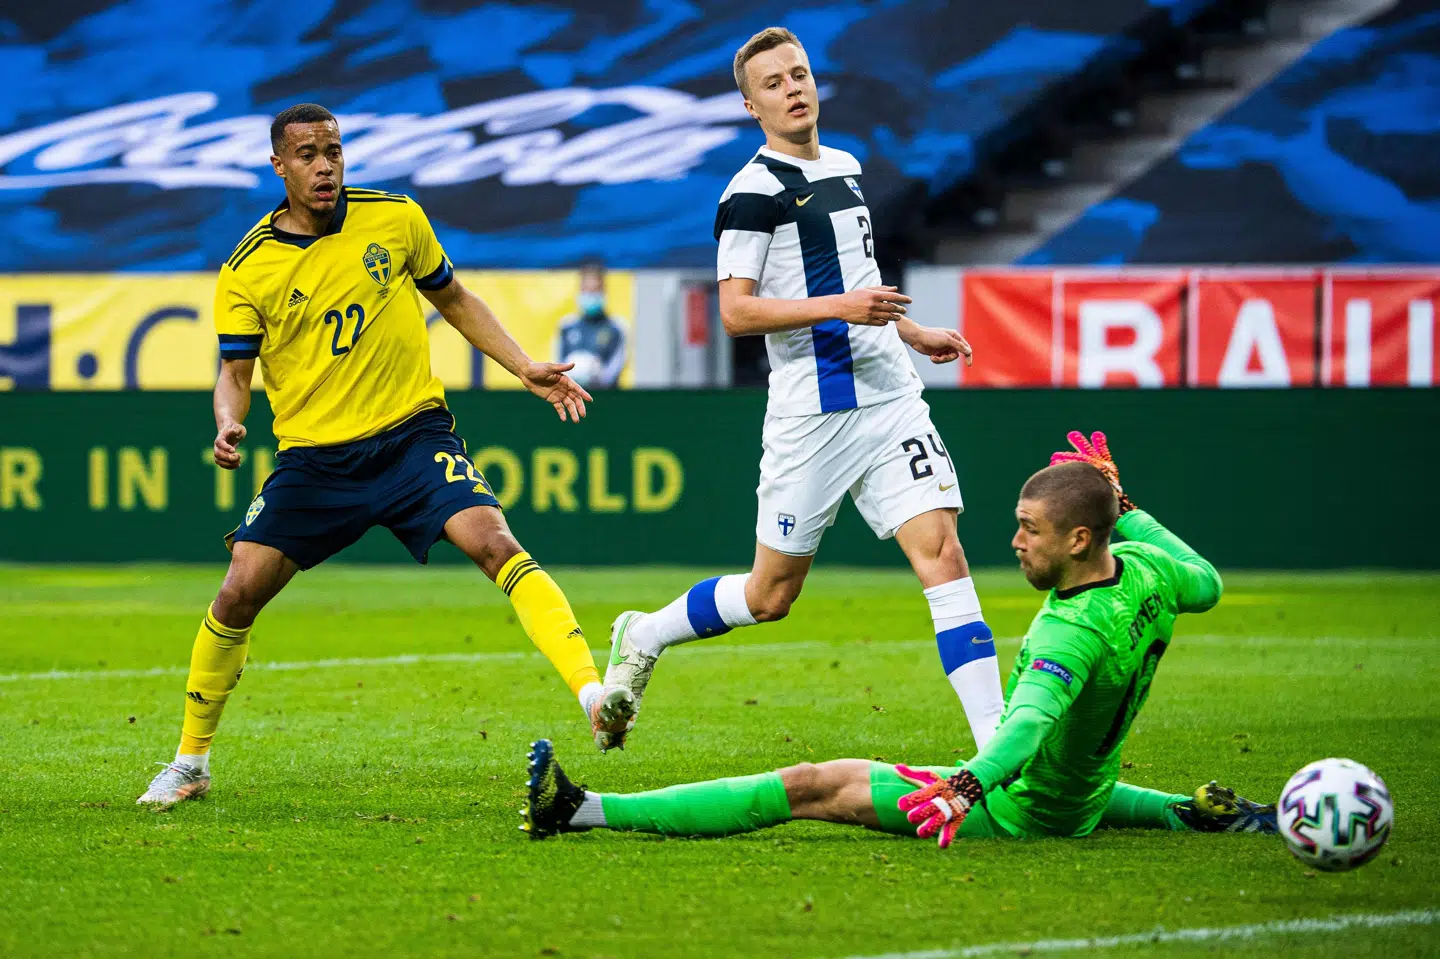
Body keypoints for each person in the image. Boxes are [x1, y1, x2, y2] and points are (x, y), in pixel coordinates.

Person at [137, 103, 635, 806]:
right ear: (278, 167)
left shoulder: (396, 216)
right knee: (237, 589)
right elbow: (236, 371)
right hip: (314, 460)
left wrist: (523, 365)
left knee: (495, 541)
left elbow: (454, 298)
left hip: (411, 436)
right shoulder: (247, 268)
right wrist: (227, 421)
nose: (325, 166)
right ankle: (190, 761)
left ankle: (593, 692)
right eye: (307, 154)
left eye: (334, 151)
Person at [524, 433, 1279, 844]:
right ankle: (1186, 808)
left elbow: (1022, 731)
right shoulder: (1149, 570)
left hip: (1020, 807)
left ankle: (585, 809)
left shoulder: (1071, 627)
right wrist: (1130, 508)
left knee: (808, 786)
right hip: (1076, 790)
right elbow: (1205, 578)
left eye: (1031, 529)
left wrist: (963, 788)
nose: (1014, 541)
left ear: (1080, 538)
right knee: (1075, 786)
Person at [603, 26, 1004, 753]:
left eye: (799, 74)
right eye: (773, 84)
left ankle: (998, 747)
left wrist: (913, 332)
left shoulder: (846, 167)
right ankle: (647, 630)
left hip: (888, 398)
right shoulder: (750, 195)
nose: (792, 89)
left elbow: (855, 282)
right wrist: (838, 309)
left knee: (942, 551)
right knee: (771, 596)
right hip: (812, 415)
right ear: (752, 106)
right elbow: (735, 311)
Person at [553, 263, 627, 389]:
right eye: (586, 290)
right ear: (580, 291)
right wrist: (573, 374)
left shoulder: (617, 328)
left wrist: (593, 375)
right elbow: (557, 364)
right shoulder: (566, 326)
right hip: (571, 396)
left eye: (595, 290)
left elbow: (614, 370)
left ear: (604, 291)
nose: (591, 295)